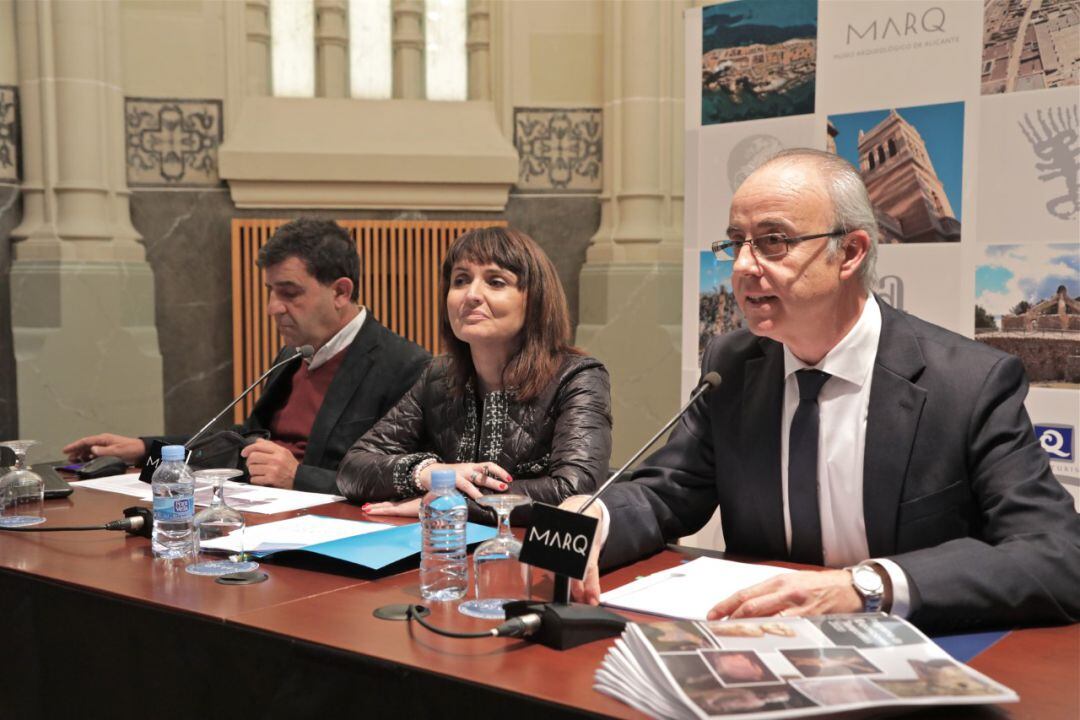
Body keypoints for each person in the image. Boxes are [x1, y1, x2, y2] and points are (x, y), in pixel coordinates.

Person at [565, 148, 1080, 632]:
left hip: (913, 656)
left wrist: (864, 586)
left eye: (772, 241)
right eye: (734, 243)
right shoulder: (733, 364)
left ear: (851, 252)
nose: (743, 267)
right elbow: (667, 492)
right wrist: (596, 518)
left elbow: (1054, 555)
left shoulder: (967, 384)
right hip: (758, 649)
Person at [63, 218, 430, 494]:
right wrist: (147, 450)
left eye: (289, 293)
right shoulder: (292, 355)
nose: (273, 308)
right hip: (257, 504)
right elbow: (246, 439)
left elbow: (407, 481)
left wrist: (298, 476)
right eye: (271, 291)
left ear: (340, 292)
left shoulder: (405, 366)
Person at [337, 226, 611, 521]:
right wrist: (427, 473)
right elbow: (352, 469)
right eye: (460, 280)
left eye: (495, 282)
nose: (471, 295)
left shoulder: (577, 377)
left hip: (529, 554)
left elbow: (574, 491)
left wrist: (446, 504)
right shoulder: (438, 376)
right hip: (444, 549)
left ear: (535, 300)